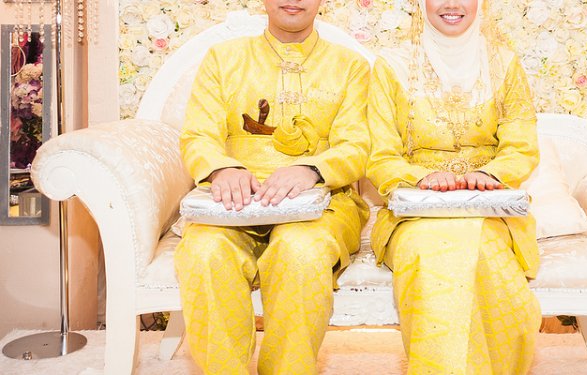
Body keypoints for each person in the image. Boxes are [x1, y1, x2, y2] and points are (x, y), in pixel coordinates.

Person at [174, 0, 370, 373]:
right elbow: (198, 135)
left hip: (323, 205)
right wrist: (222, 169)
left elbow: (357, 146)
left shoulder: (350, 66)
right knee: (203, 253)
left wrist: (311, 168)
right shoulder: (223, 58)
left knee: (300, 252)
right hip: (231, 203)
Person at [366, 0, 541, 373]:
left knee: (485, 262)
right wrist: (420, 178)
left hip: (487, 206)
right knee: (431, 260)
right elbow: (379, 154)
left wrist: (492, 174)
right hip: (416, 211)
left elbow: (522, 144)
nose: (451, 5)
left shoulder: (504, 64)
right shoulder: (392, 65)